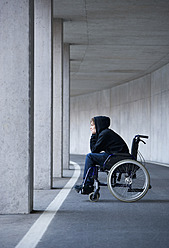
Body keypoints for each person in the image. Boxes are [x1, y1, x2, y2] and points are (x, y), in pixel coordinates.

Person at [74, 116, 129, 194]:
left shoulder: (105, 134)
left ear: (98, 125)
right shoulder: (106, 132)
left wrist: (93, 136)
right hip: (117, 156)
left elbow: (94, 150)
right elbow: (95, 150)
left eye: (92, 125)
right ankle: (88, 184)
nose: (90, 128)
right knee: (92, 157)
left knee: (90, 156)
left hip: (116, 158)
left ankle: (87, 185)